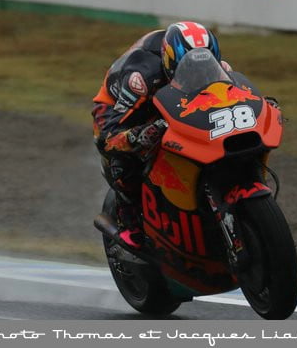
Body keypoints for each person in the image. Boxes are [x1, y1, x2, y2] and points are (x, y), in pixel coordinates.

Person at [91, 21, 228, 248]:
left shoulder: (219, 67)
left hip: (171, 97)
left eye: (205, 68)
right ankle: (129, 220)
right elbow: (109, 136)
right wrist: (138, 135)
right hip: (119, 108)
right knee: (123, 151)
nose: (198, 75)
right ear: (171, 62)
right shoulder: (140, 79)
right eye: (189, 69)